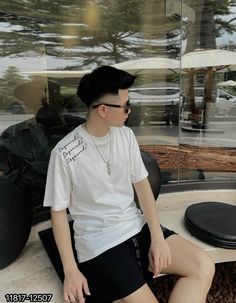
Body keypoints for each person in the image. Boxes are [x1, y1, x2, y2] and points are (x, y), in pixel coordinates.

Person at [43, 66, 215, 303]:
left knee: (203, 265)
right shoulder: (64, 153)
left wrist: (157, 237)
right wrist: (71, 270)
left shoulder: (125, 136)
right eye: (125, 105)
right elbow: (58, 212)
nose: (129, 110)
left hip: (135, 225)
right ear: (103, 110)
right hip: (100, 244)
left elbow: (142, 185)